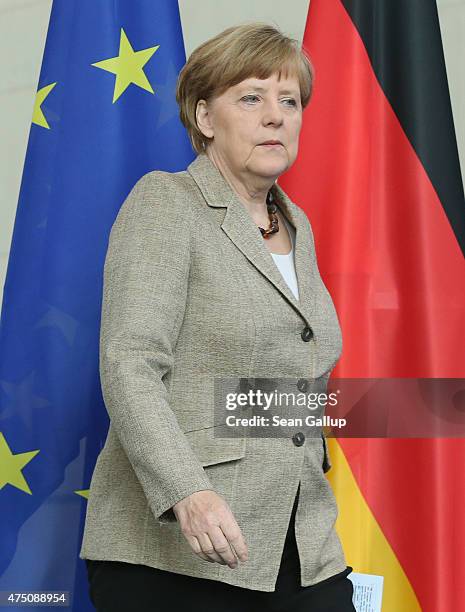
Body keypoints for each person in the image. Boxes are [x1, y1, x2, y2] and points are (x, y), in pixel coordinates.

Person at [79, 22, 356, 612]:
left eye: (289, 100)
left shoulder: (296, 225)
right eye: (252, 97)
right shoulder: (166, 202)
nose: (276, 116)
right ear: (205, 118)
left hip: (300, 538)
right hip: (179, 547)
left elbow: (269, 395)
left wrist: (436, 406)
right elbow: (129, 366)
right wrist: (189, 491)